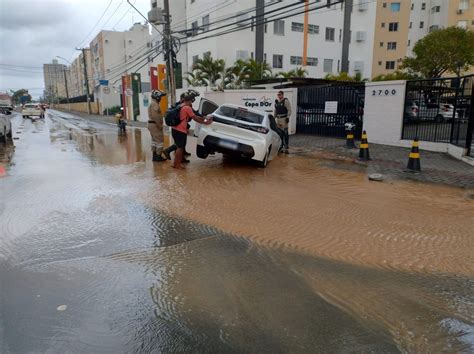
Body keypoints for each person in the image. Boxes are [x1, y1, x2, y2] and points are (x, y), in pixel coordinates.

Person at [172, 93, 212, 169]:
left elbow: (195, 115)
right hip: (181, 130)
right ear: (190, 100)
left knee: (178, 147)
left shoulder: (180, 105)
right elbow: (195, 118)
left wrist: (203, 118)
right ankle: (177, 165)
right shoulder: (187, 107)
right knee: (180, 148)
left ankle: (175, 163)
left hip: (175, 129)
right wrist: (205, 122)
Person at [162, 89, 200, 162]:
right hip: (179, 128)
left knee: (181, 144)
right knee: (180, 145)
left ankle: (181, 158)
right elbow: (194, 115)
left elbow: (193, 113)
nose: (192, 100)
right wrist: (203, 118)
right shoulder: (184, 105)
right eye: (192, 98)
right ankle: (175, 159)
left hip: (179, 127)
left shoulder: (179, 105)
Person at [148, 90, 167, 161]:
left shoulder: (152, 103)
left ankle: (155, 156)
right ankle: (158, 157)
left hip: (152, 124)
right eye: (160, 97)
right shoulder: (154, 104)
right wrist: (159, 125)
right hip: (155, 124)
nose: (161, 98)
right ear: (157, 97)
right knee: (160, 141)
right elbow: (155, 116)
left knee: (154, 141)